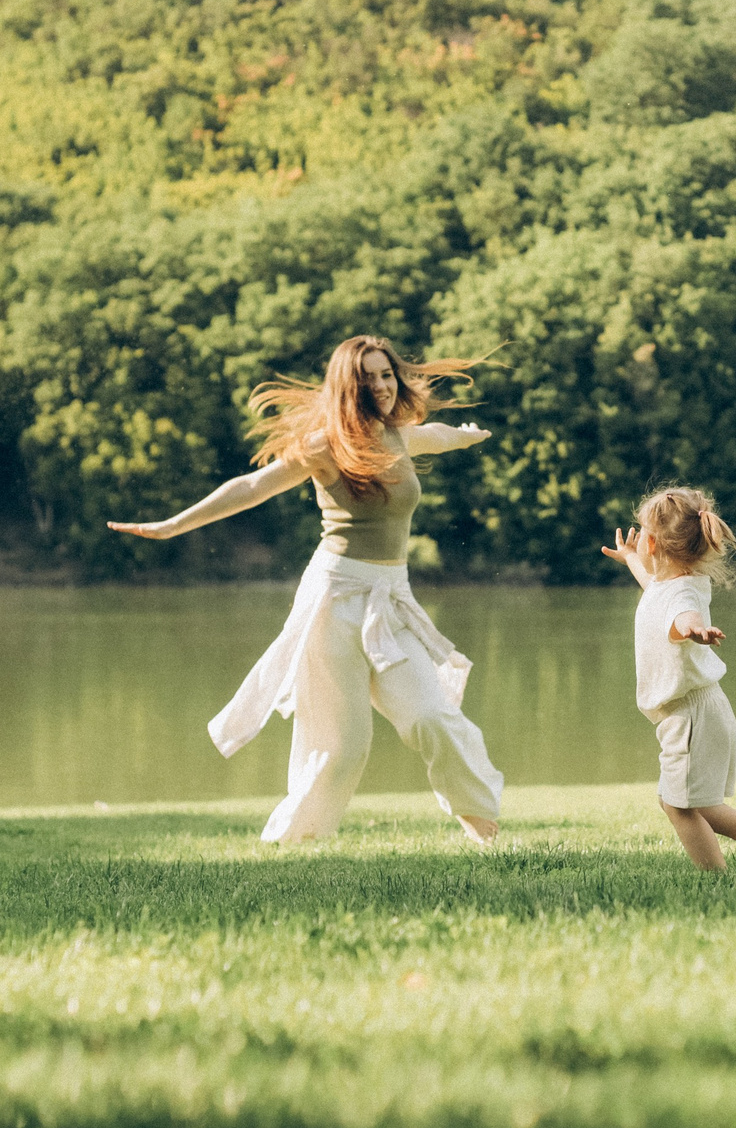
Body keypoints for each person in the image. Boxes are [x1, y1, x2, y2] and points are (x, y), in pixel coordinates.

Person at [109, 336, 506, 846]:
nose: (382, 386)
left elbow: (436, 435)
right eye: (369, 377)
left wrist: (466, 436)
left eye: (387, 374)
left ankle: (476, 814)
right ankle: (293, 841)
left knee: (431, 715)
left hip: (392, 598)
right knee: (342, 749)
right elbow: (253, 487)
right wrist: (171, 526)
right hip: (335, 597)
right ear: (349, 385)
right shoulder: (324, 446)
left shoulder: (399, 437)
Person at [600, 487, 736, 870]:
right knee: (685, 801)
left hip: (691, 715)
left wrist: (696, 631)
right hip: (691, 713)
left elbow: (684, 617)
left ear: (652, 542)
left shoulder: (680, 595)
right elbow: (653, 586)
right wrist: (631, 558)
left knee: (678, 805)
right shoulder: (670, 585)